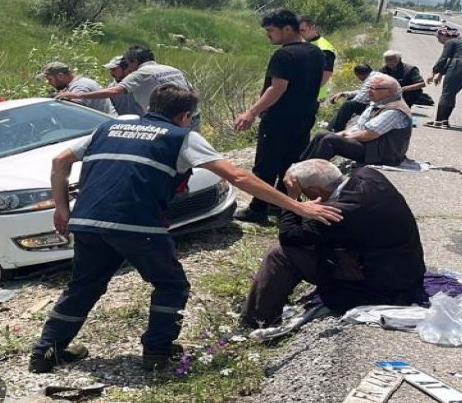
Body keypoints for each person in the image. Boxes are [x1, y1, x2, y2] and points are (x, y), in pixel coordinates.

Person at [31, 84, 342, 373]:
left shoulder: (107, 127)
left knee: (83, 285)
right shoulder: (180, 137)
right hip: (136, 223)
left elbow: (60, 161)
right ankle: (157, 352)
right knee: (171, 285)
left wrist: (62, 207)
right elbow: (239, 177)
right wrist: (299, 207)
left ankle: (46, 351)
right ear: (184, 116)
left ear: (149, 106)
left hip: (86, 220)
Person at [240, 159, 427, 330]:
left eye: (306, 193)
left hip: (382, 286)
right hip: (406, 268)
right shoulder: (368, 175)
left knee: (280, 255)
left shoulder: (338, 213)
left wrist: (292, 198)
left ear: (316, 192)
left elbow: (289, 236)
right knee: (309, 243)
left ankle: (257, 321)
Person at [232, 9, 330, 224]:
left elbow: (277, 88)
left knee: (265, 165)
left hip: (279, 119)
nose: (268, 35)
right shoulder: (316, 53)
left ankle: (258, 209)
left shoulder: (284, 55)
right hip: (304, 117)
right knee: (290, 163)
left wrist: (251, 112)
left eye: (270, 30)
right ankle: (280, 204)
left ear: (287, 29)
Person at [301, 74, 413, 167]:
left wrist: (341, 137)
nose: (369, 91)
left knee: (330, 140)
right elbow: (359, 127)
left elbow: (370, 134)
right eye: (369, 87)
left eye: (374, 88)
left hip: (384, 154)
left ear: (390, 91)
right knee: (322, 134)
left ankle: (309, 175)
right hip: (373, 147)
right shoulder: (379, 102)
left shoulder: (394, 110)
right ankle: (300, 166)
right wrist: (340, 134)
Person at [57, 45, 191, 116]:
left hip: (168, 120)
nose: (128, 70)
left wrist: (77, 95)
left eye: (128, 64)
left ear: (135, 62)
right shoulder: (172, 69)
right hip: (189, 116)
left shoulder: (142, 73)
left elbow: (115, 91)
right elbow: (191, 91)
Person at [428, 26, 462, 128]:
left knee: (446, 94)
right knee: (451, 94)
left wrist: (433, 73)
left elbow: (443, 58)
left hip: (458, 66)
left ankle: (438, 122)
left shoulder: (450, 42)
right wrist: (440, 75)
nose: (438, 40)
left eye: (438, 37)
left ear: (444, 35)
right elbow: (450, 60)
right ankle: (444, 121)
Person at [41, 61, 114, 114]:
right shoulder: (74, 84)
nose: (48, 83)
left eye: (50, 79)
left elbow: (75, 112)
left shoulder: (80, 86)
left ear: (60, 76)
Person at [326, 64, 376, 132]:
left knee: (348, 105)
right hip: (376, 103)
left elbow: (359, 100)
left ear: (359, 74)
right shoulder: (373, 76)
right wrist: (344, 94)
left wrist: (347, 103)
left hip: (374, 106)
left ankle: (336, 129)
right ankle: (332, 126)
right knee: (349, 102)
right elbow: (362, 92)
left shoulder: (370, 80)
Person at [300, 16, 336, 102]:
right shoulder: (306, 43)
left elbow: (327, 73)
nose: (300, 33)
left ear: (313, 28)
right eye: (298, 31)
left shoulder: (324, 47)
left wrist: (310, 92)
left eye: (303, 30)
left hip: (314, 95)